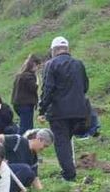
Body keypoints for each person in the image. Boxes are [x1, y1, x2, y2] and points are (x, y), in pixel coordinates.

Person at [38, 36, 89, 182]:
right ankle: (70, 169)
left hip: (59, 112)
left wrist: (42, 110)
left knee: (62, 143)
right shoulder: (79, 64)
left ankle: (69, 175)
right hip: (79, 111)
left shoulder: (51, 64)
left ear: (53, 50)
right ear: (67, 49)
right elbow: (85, 87)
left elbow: (48, 89)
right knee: (68, 140)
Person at [0, 128, 52, 192]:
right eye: (45, 146)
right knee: (26, 169)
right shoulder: (19, 140)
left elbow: (35, 179)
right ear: (39, 139)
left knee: (30, 175)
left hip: (10, 178)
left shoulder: (34, 158)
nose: (43, 149)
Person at [10, 55, 39, 133]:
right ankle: (21, 142)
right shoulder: (29, 76)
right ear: (33, 66)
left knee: (25, 125)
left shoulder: (19, 76)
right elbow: (33, 88)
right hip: (26, 104)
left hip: (17, 103)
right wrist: (37, 82)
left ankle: (25, 141)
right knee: (27, 127)